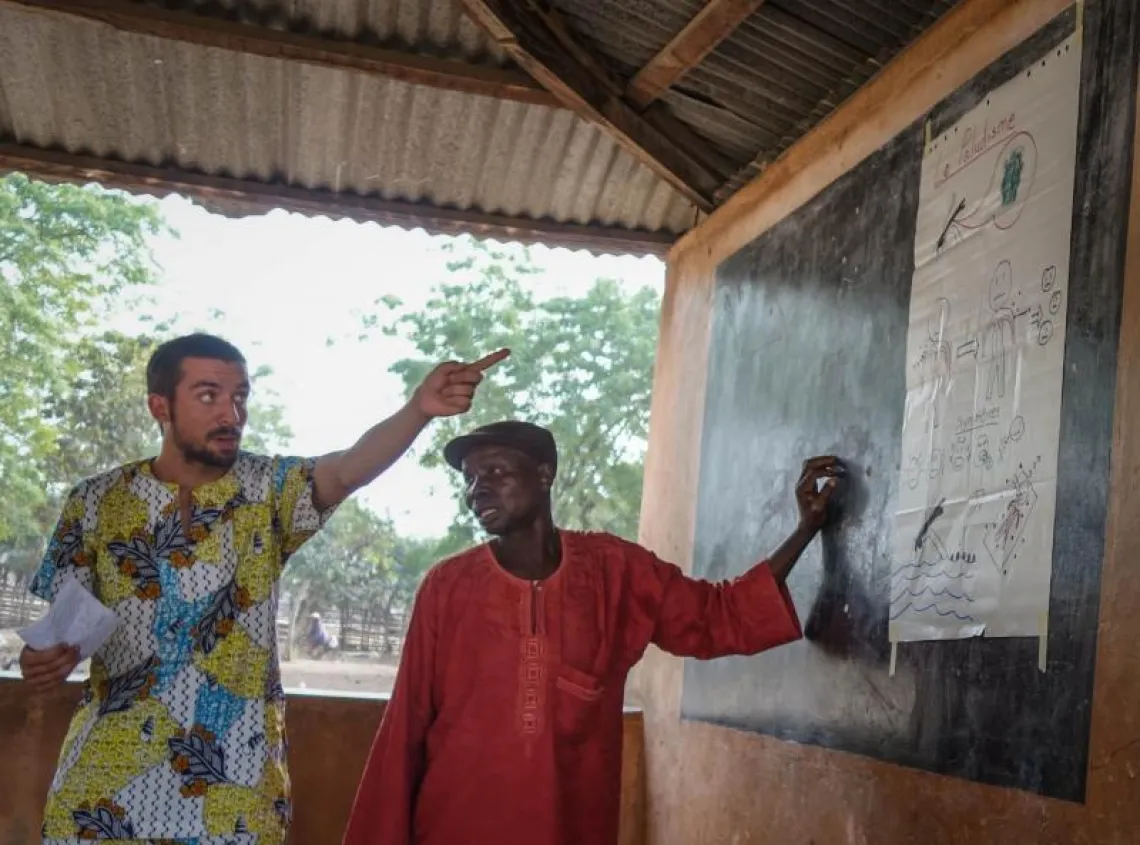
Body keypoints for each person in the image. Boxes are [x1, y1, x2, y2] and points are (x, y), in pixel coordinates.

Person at [18, 332, 507, 845]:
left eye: (240, 396)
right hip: (105, 787)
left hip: (236, 789)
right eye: (208, 395)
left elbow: (347, 469)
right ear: (158, 406)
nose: (231, 412)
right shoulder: (96, 500)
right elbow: (61, 631)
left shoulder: (269, 491)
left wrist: (418, 410)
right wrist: (41, 661)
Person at [342, 420, 845, 845]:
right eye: (471, 480)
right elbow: (405, 726)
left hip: (572, 827)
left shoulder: (616, 571)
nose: (478, 489)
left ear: (545, 475)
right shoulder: (446, 586)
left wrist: (804, 530)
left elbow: (719, 613)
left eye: (495, 472)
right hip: (455, 826)